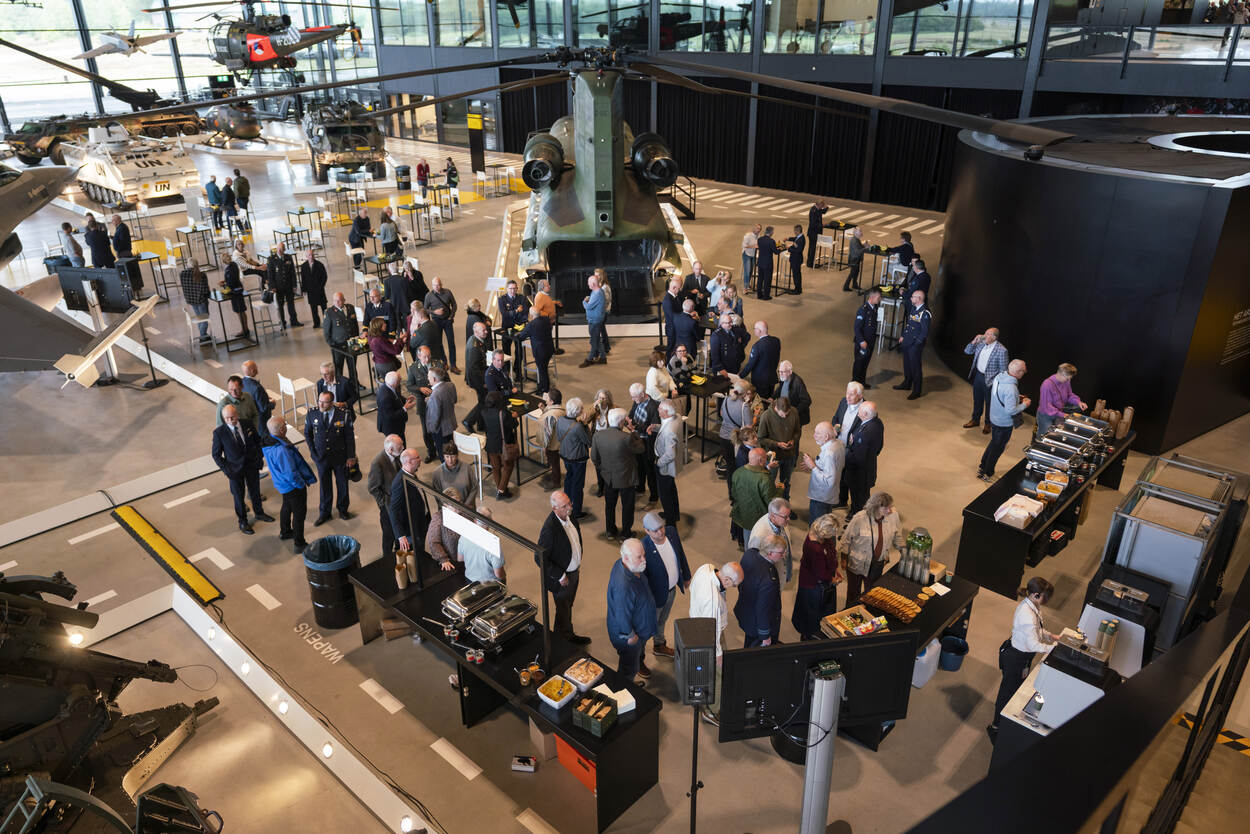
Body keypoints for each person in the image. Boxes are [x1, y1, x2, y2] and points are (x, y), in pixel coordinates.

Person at [988, 577, 1059, 743]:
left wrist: (1050, 636)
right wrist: (1053, 648)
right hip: (1016, 658)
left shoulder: (1033, 605)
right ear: (1035, 594)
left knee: (1013, 690)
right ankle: (996, 727)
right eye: (1044, 597)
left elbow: (1037, 630)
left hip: (1022, 657)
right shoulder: (1026, 614)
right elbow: (1034, 643)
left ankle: (1003, 722)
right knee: (1006, 693)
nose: (1046, 600)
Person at [688, 560, 742, 724]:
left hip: (693, 626)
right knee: (718, 674)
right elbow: (712, 630)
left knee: (698, 668)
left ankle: (696, 698)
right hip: (708, 636)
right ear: (726, 580)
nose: (734, 588)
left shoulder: (706, 568)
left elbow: (691, 587)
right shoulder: (713, 600)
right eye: (735, 584)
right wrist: (718, 655)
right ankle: (711, 712)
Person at [536, 491, 591, 644]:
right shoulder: (550, 529)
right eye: (565, 506)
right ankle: (565, 640)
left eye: (569, 503)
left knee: (566, 607)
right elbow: (539, 557)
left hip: (574, 572)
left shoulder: (569, 516)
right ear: (555, 509)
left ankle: (561, 637)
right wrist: (560, 575)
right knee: (563, 608)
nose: (570, 507)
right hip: (562, 578)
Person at [211, 405, 271, 535]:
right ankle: (243, 521)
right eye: (226, 418)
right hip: (235, 470)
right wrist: (227, 469)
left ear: (237, 415)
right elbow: (216, 455)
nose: (230, 420)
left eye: (232, 417)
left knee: (255, 491)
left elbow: (257, 441)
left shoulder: (247, 424)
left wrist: (258, 456)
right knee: (238, 496)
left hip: (251, 465)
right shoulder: (219, 433)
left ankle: (259, 513)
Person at [640, 512, 692, 662]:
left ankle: (659, 645)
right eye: (655, 530)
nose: (661, 532)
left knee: (662, 620)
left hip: (671, 590)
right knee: (647, 628)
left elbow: (680, 553)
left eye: (661, 527)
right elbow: (642, 578)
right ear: (647, 531)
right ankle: (639, 660)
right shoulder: (644, 547)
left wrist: (686, 575)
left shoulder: (671, 532)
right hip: (654, 597)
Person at [262, 416, 317, 553]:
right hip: (291, 486)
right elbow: (290, 473)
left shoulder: (269, 443)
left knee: (286, 505)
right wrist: (299, 484)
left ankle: (285, 531)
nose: (286, 427)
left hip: (281, 484)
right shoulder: (281, 450)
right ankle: (299, 543)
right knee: (299, 513)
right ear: (281, 430)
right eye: (285, 425)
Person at [607, 538, 657, 685]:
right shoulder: (623, 585)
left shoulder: (626, 565)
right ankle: (623, 691)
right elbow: (621, 613)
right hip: (628, 637)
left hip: (638, 630)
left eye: (644, 555)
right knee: (628, 668)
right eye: (639, 557)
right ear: (626, 557)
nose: (644, 560)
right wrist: (630, 635)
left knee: (632, 662)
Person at [841, 491, 903, 604]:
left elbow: (897, 535)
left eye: (890, 507)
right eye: (886, 508)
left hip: (877, 564)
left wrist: (903, 550)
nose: (889, 511)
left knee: (872, 593)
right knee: (853, 594)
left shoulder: (892, 515)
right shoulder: (859, 518)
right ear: (876, 507)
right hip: (857, 564)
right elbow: (846, 539)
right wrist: (844, 557)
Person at [304, 391, 356, 526]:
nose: (320, 404)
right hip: (321, 458)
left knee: (342, 483)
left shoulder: (343, 414)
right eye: (319, 401)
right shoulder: (312, 413)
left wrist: (351, 456)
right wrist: (313, 453)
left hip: (340, 457)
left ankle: (343, 509)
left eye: (324, 402)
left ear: (331, 402)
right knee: (325, 486)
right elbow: (307, 434)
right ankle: (325, 513)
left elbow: (349, 437)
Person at [591, 407, 642, 539]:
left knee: (610, 506)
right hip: (626, 479)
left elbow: (594, 458)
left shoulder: (598, 436)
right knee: (627, 507)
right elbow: (641, 449)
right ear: (621, 423)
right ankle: (626, 534)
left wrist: (604, 469)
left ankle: (610, 531)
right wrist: (634, 431)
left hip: (608, 478)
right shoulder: (627, 438)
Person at [793, 514, 843, 640]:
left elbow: (831, 552)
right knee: (813, 617)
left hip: (820, 582)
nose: (834, 536)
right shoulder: (815, 548)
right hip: (814, 587)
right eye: (832, 533)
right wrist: (833, 580)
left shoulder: (823, 539)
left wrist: (835, 569)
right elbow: (820, 573)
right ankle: (810, 638)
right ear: (824, 532)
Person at [979, 359, 1030, 482]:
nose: (1025, 372)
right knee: (998, 448)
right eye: (1024, 370)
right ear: (1018, 372)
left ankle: (982, 466)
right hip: (1003, 422)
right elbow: (1011, 411)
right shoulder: (1011, 388)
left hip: (994, 417)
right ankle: (987, 473)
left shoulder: (999, 377)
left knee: (994, 443)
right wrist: (1025, 405)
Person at [735, 534, 785, 647]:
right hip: (757, 623)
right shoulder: (768, 579)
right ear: (770, 553)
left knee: (748, 641)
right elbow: (763, 609)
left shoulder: (749, 554)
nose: (783, 555)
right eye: (781, 553)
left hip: (746, 611)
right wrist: (765, 635)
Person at [731, 447, 781, 549]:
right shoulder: (765, 479)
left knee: (748, 544)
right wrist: (780, 490)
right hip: (760, 520)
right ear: (761, 461)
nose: (767, 460)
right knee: (761, 547)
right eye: (765, 458)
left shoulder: (738, 473)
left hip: (744, 516)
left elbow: (734, 494)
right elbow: (772, 503)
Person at [962, 327, 1009, 432]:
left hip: (991, 380)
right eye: (985, 333)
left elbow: (1003, 370)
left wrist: (999, 385)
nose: (984, 336)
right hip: (978, 376)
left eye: (987, 334)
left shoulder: (1001, 350)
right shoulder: (981, 343)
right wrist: (974, 341)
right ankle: (975, 420)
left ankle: (988, 424)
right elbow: (967, 351)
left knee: (989, 403)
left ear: (994, 337)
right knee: (977, 400)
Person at [389, 449, 431, 558]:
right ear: (409, 462)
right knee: (416, 554)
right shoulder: (399, 483)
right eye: (417, 458)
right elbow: (393, 510)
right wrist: (400, 535)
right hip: (412, 529)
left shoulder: (411, 474)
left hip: (421, 521)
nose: (420, 459)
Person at [844, 401, 883, 515]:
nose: (857, 411)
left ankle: (856, 517)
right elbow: (879, 447)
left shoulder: (865, 433)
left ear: (865, 414)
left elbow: (857, 457)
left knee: (858, 497)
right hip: (869, 468)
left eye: (860, 410)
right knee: (863, 496)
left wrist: (848, 448)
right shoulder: (878, 423)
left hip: (859, 474)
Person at [800, 421, 845, 523]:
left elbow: (829, 482)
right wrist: (816, 463)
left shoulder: (829, 453)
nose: (814, 435)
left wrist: (813, 466)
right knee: (827, 524)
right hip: (829, 496)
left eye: (817, 433)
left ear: (826, 437)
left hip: (821, 498)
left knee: (817, 528)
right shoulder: (839, 444)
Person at [368, 434, 404, 558]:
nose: (403, 448)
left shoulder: (398, 457)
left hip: (399, 503)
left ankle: (400, 552)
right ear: (390, 450)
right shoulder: (378, 463)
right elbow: (373, 488)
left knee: (400, 531)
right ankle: (387, 558)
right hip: (388, 507)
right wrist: (383, 504)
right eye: (400, 446)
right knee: (389, 535)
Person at [758, 396, 800, 500]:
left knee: (785, 483)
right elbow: (761, 439)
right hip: (773, 457)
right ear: (776, 408)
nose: (786, 416)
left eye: (788, 413)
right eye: (783, 414)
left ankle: (785, 504)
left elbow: (797, 431)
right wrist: (777, 444)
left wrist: (793, 440)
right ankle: (768, 506)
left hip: (789, 455)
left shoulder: (794, 412)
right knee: (769, 482)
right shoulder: (766, 416)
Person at [556, 397, 592, 518]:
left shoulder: (560, 420)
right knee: (578, 485)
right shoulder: (578, 426)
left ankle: (565, 505)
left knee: (569, 479)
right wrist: (585, 424)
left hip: (565, 455)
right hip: (578, 459)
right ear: (578, 411)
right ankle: (576, 512)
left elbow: (558, 436)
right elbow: (589, 441)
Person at [626, 383, 661, 507]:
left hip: (647, 444)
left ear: (642, 394)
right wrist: (628, 420)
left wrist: (635, 426)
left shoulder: (654, 406)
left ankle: (654, 498)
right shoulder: (637, 401)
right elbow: (631, 414)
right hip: (637, 440)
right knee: (638, 467)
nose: (632, 400)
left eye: (634, 397)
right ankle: (640, 488)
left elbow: (653, 429)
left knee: (649, 471)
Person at [894, 289, 931, 399]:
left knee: (915, 367)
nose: (911, 298)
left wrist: (917, 344)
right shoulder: (914, 308)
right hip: (907, 341)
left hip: (915, 344)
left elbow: (924, 332)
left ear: (919, 299)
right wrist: (903, 336)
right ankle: (907, 383)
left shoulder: (925, 313)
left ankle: (916, 391)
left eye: (913, 297)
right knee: (907, 364)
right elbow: (909, 324)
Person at [719, 379, 756, 488]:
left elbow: (721, 413)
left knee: (730, 468)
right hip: (736, 441)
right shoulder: (744, 406)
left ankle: (732, 495)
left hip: (723, 436)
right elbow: (748, 427)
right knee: (739, 468)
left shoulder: (726, 399)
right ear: (745, 393)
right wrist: (755, 417)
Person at [750, 496, 795, 584]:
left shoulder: (780, 521)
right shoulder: (759, 536)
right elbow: (756, 565)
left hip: (783, 569)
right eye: (785, 517)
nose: (788, 519)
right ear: (773, 516)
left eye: (789, 516)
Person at [482, 390, 517, 499]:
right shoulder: (504, 414)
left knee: (496, 468)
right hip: (503, 445)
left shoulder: (484, 412)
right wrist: (514, 416)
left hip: (491, 445)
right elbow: (514, 425)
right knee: (508, 466)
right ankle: (501, 490)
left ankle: (501, 489)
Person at [654, 399, 684, 525]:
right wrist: (656, 428)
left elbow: (670, 454)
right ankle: (674, 514)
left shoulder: (669, 431)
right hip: (672, 466)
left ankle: (671, 522)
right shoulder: (676, 417)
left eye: (660, 409)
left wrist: (659, 463)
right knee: (671, 489)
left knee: (665, 494)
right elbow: (665, 427)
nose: (657, 410)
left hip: (665, 467)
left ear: (666, 412)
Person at [405, 346, 438, 460]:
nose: (427, 359)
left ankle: (441, 448)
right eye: (424, 357)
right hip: (423, 404)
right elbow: (409, 385)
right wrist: (420, 389)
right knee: (426, 430)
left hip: (437, 402)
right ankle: (431, 451)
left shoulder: (438, 365)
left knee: (439, 426)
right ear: (418, 356)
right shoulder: (414, 368)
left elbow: (447, 381)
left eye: (429, 356)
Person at [1037, 363, 1087, 436]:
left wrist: (1078, 402)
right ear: (1061, 374)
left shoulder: (1066, 382)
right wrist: (1063, 415)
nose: (1069, 380)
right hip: (1046, 416)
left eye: (1070, 378)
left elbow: (1069, 395)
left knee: (1057, 435)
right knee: (1044, 437)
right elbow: (1047, 407)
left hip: (1059, 413)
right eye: (1068, 378)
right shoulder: (1046, 385)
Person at [458, 508, 506, 584]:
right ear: (490, 523)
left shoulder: (464, 535)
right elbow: (499, 574)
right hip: (489, 584)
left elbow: (460, 559)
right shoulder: (493, 543)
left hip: (470, 580)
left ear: (475, 520)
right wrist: (504, 576)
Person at [514, 306, 554, 393]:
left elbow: (521, 336)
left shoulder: (531, 325)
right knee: (544, 368)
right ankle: (542, 386)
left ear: (531, 315)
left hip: (540, 351)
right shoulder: (546, 319)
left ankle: (544, 390)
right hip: (549, 348)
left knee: (542, 370)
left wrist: (517, 335)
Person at [425, 276, 460, 373]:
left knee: (451, 343)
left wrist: (451, 316)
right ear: (432, 285)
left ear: (441, 284)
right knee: (439, 343)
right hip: (436, 321)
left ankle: (453, 365)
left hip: (447, 320)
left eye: (439, 285)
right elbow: (425, 309)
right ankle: (444, 363)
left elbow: (454, 305)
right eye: (435, 285)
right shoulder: (429, 295)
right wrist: (435, 312)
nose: (437, 287)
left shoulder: (448, 292)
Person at [498, 280, 531, 381]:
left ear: (517, 288)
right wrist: (516, 311)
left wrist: (513, 313)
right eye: (510, 288)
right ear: (507, 289)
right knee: (506, 350)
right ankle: (507, 372)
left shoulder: (522, 298)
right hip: (506, 328)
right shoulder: (502, 299)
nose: (513, 291)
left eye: (514, 288)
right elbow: (504, 314)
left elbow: (525, 312)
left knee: (519, 351)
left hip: (518, 328)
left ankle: (517, 371)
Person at [322, 292, 360, 381]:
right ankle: (340, 385)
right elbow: (326, 332)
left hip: (351, 343)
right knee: (339, 367)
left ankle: (354, 384)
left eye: (340, 300)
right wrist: (332, 345)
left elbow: (355, 324)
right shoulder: (329, 312)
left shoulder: (350, 308)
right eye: (335, 300)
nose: (338, 302)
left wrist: (357, 338)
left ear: (344, 300)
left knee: (352, 366)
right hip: (338, 345)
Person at [266, 242, 302, 329]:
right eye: (278, 248)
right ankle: (282, 323)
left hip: (289, 285)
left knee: (291, 304)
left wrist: (294, 285)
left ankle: (294, 321)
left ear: (284, 249)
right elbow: (270, 275)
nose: (280, 250)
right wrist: (272, 287)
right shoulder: (271, 259)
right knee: (280, 305)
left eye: (282, 248)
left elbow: (293, 272)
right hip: (278, 287)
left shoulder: (288, 257)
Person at [425, 487, 463, 570]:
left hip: (463, 558)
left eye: (459, 503)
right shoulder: (438, 518)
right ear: (445, 505)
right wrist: (443, 559)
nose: (457, 507)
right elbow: (433, 542)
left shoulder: (462, 514)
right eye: (453, 504)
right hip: (450, 561)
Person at [740, 320, 781, 395]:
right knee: (769, 399)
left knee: (760, 401)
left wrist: (740, 376)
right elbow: (777, 358)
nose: (754, 331)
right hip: (772, 377)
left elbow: (751, 364)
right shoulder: (776, 341)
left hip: (760, 381)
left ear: (759, 331)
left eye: (755, 329)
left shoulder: (757, 346)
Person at [462, 320, 490, 432]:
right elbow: (474, 369)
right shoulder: (474, 347)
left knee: (482, 399)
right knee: (484, 402)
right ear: (476, 332)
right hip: (477, 379)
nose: (486, 332)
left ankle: (481, 425)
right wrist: (484, 382)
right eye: (483, 330)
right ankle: (469, 421)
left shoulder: (476, 340)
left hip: (478, 376)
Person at [431, 443, 477, 510]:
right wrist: (450, 508)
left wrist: (465, 506)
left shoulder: (466, 468)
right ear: (443, 456)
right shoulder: (437, 473)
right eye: (447, 456)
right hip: (448, 510)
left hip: (467, 509)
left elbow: (474, 487)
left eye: (452, 456)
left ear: (457, 455)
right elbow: (437, 495)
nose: (450, 460)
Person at [376, 370, 415, 445]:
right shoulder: (385, 397)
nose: (400, 383)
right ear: (395, 383)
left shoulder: (388, 385)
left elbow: (397, 396)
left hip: (397, 424)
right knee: (399, 446)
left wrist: (406, 400)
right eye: (399, 381)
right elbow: (390, 416)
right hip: (392, 427)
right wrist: (405, 408)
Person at [240, 360, 275, 441]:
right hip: (262, 422)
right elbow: (264, 408)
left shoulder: (242, 382)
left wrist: (264, 398)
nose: (257, 368)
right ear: (253, 370)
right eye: (256, 367)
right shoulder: (257, 388)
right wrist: (272, 403)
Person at [852, 287, 880, 387]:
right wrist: (861, 341)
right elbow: (857, 328)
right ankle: (855, 383)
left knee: (866, 363)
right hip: (863, 342)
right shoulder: (863, 310)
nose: (879, 299)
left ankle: (862, 382)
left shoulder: (875, 308)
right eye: (878, 297)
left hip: (870, 341)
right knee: (859, 363)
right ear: (872, 297)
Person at [180, 258, 212, 344]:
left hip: (191, 300)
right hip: (201, 300)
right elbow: (205, 290)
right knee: (205, 319)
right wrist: (209, 295)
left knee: (199, 317)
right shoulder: (201, 275)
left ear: (188, 264)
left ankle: (204, 336)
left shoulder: (182, 274)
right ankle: (202, 337)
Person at [773, 361, 812, 427]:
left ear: (790, 372)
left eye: (783, 372)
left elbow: (807, 400)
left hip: (795, 417)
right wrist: (773, 397)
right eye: (779, 371)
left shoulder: (798, 383)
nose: (780, 374)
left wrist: (794, 411)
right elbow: (780, 389)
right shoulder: (783, 378)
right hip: (785, 412)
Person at [580, 274, 607, 368]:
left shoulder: (597, 293)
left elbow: (588, 306)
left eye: (588, 282)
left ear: (593, 283)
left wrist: (584, 301)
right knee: (596, 339)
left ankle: (589, 359)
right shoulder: (598, 291)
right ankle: (603, 358)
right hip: (595, 319)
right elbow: (592, 303)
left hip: (595, 320)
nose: (587, 284)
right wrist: (589, 300)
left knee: (594, 341)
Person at [219, 256, 250, 339]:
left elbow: (232, 282)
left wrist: (224, 285)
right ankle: (245, 328)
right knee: (240, 311)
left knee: (240, 311)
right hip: (236, 290)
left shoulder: (231, 268)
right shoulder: (232, 266)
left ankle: (244, 330)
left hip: (236, 292)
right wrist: (225, 281)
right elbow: (230, 279)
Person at [368, 317, 405, 381]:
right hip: (387, 365)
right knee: (394, 384)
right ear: (379, 326)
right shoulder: (379, 340)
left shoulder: (371, 337)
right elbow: (396, 350)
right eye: (383, 323)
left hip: (378, 364)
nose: (385, 324)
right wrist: (400, 340)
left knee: (387, 384)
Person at [710, 312, 745, 377]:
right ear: (722, 323)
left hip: (735, 365)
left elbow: (746, 336)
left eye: (731, 322)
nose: (731, 324)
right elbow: (714, 354)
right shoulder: (716, 335)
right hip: (724, 368)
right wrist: (720, 368)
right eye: (728, 323)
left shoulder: (735, 330)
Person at [300, 248, 328, 328]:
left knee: (324, 308)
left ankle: (326, 322)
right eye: (309, 255)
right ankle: (316, 323)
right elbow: (303, 279)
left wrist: (321, 286)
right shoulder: (303, 266)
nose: (311, 256)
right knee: (313, 308)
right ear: (306, 256)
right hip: (310, 291)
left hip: (319, 290)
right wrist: (304, 289)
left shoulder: (319, 265)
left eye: (312, 255)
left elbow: (324, 276)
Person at [755, 226, 779, 301]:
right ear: (771, 232)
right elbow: (776, 252)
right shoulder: (771, 241)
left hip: (760, 262)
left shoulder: (760, 239)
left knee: (760, 279)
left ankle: (759, 295)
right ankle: (766, 296)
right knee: (767, 280)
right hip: (768, 263)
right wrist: (781, 249)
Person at [806, 200, 830, 269]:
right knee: (812, 249)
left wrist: (826, 206)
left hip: (815, 232)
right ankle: (810, 263)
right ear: (818, 204)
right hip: (813, 233)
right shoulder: (813, 211)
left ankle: (810, 262)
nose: (822, 207)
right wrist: (822, 225)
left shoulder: (818, 209)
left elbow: (824, 212)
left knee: (812, 248)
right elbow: (813, 224)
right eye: (822, 205)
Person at [784, 224, 805, 294]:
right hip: (796, 259)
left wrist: (788, 248)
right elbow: (795, 239)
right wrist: (788, 239)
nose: (794, 232)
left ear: (797, 231)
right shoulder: (800, 237)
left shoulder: (801, 240)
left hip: (796, 259)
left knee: (796, 275)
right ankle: (798, 288)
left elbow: (798, 250)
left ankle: (797, 290)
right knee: (797, 274)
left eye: (795, 231)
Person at [844, 227, 865, 293]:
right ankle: (846, 286)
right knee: (852, 273)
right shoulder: (854, 241)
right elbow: (858, 252)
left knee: (856, 272)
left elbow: (860, 247)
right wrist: (865, 248)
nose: (861, 233)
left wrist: (864, 245)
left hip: (856, 259)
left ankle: (854, 284)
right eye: (860, 231)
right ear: (856, 233)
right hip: (854, 259)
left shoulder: (856, 239)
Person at [741, 223, 760, 294]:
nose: (758, 230)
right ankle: (745, 288)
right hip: (746, 254)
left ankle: (747, 284)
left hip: (754, 255)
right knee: (747, 271)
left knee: (751, 271)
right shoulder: (748, 236)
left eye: (760, 229)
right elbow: (744, 245)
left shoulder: (758, 236)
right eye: (757, 228)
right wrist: (753, 246)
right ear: (754, 228)